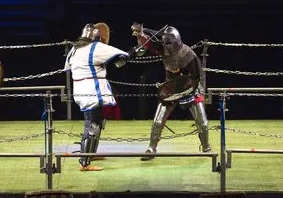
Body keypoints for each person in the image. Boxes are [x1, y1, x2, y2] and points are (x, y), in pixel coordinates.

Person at [133, 24, 211, 160]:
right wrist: (141, 34)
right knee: (158, 120)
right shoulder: (163, 49)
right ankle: (151, 148)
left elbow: (198, 75)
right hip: (171, 87)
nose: (166, 46)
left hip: (190, 86)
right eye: (165, 43)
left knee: (202, 122)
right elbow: (148, 44)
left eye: (169, 43)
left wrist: (191, 89)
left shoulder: (187, 54)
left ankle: (206, 147)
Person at [64, 22, 133, 172]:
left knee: (97, 121)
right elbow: (121, 56)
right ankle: (84, 163)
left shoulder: (74, 50)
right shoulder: (95, 47)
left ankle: (90, 154)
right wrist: (133, 52)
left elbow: (68, 67)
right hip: (92, 91)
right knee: (93, 124)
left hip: (81, 89)